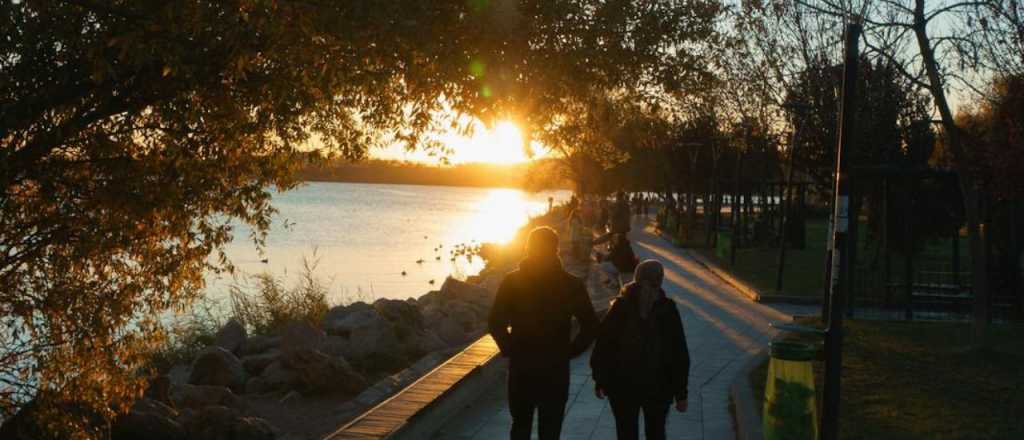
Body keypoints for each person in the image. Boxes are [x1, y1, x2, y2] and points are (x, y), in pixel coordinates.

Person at [488, 227, 599, 440]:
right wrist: (570, 351)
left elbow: (495, 323)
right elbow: (591, 325)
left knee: (520, 427)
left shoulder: (512, 281)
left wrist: (511, 349)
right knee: (550, 430)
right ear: (556, 250)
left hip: (523, 368)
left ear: (528, 248)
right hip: (554, 369)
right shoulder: (571, 284)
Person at [590, 260, 690, 440]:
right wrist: (681, 393)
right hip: (659, 386)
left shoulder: (620, 307)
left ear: (636, 278)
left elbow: (603, 346)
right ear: (660, 280)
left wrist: (600, 380)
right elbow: (679, 353)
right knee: (656, 432)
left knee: (626, 433)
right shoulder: (667, 309)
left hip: (622, 387)